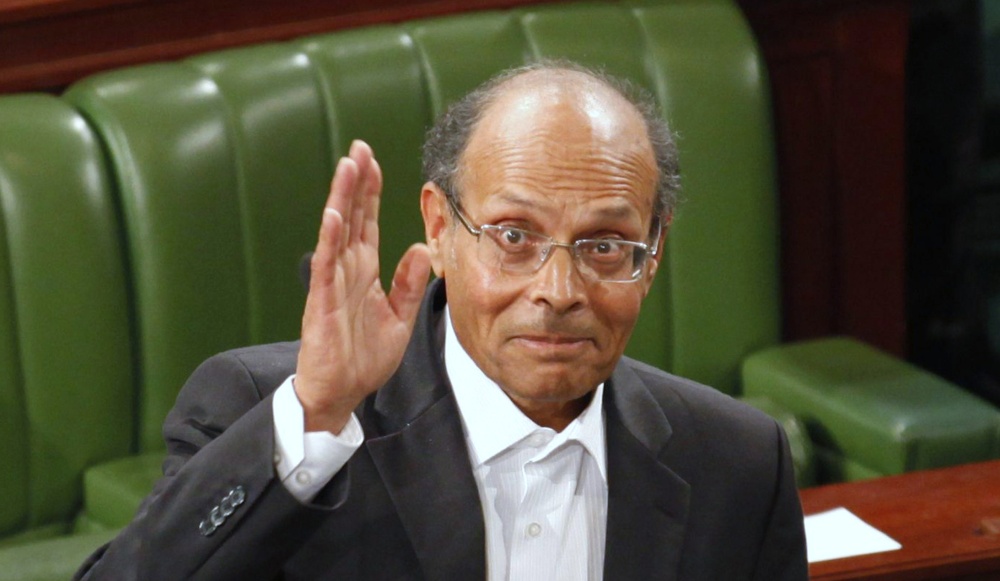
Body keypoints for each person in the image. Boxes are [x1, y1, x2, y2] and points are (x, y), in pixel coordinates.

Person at [75, 61, 807, 580]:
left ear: (654, 252)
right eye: (514, 236)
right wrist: (315, 418)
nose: (558, 290)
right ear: (440, 228)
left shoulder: (739, 464)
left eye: (605, 246)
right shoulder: (272, 414)